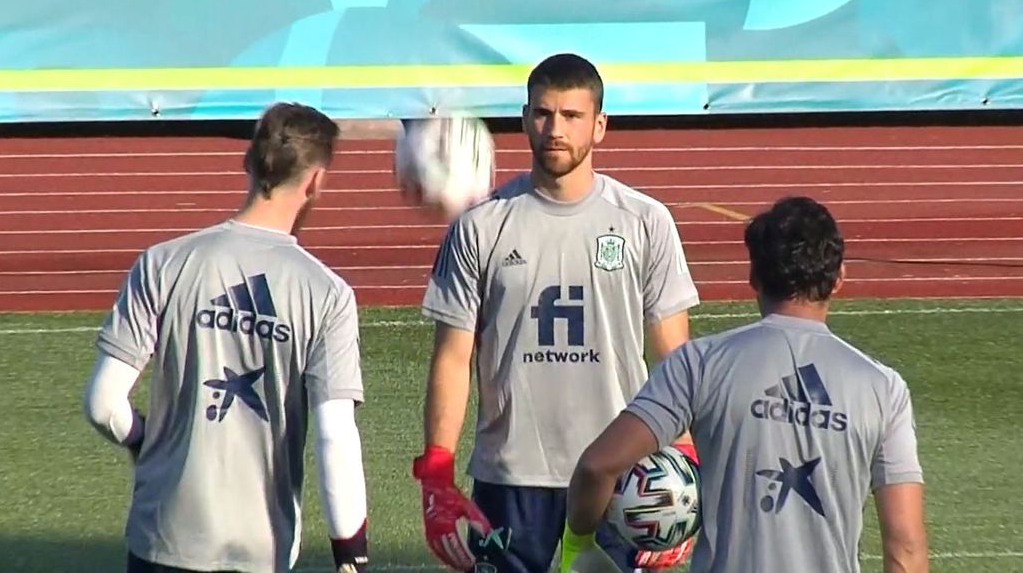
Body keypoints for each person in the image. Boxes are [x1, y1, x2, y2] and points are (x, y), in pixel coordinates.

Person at [409, 52, 702, 573]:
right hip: (508, 482)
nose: (555, 129)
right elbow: (453, 357)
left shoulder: (645, 222)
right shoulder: (480, 226)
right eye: (543, 114)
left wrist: (687, 470)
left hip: (620, 480)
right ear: (524, 118)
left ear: (600, 125)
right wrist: (437, 474)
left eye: (571, 116)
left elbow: (674, 359)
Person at [561, 196, 930, 573]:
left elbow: (597, 466)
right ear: (838, 280)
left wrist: (580, 544)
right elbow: (905, 548)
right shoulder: (884, 389)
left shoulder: (700, 364)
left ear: (753, 277)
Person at [82, 102, 370, 573]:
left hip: (164, 537)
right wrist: (351, 554)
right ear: (316, 180)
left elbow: (102, 403)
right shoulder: (327, 293)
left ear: (249, 164)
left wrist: (142, 441)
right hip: (260, 546)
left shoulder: (163, 263)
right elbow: (335, 436)